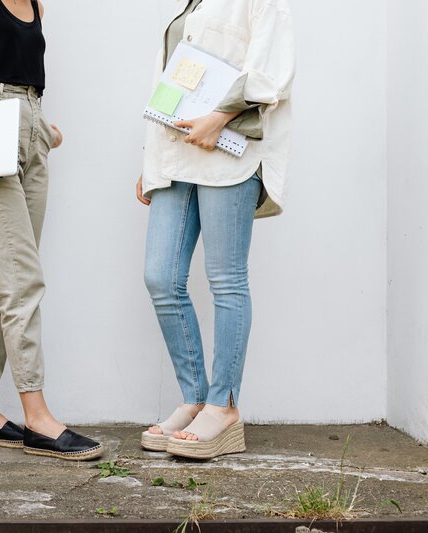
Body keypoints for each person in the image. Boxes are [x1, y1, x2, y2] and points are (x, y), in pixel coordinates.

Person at [0, 0, 103, 461]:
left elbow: (20, 74)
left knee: (4, 277)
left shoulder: (36, 5)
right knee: (21, 279)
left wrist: (39, 126)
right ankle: (37, 414)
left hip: (29, 128)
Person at [137, 0, 296, 459]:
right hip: (176, 153)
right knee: (161, 278)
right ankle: (194, 397)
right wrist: (151, 162)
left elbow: (271, 73)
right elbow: (172, 81)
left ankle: (223, 407)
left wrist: (219, 116)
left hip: (228, 152)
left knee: (226, 280)